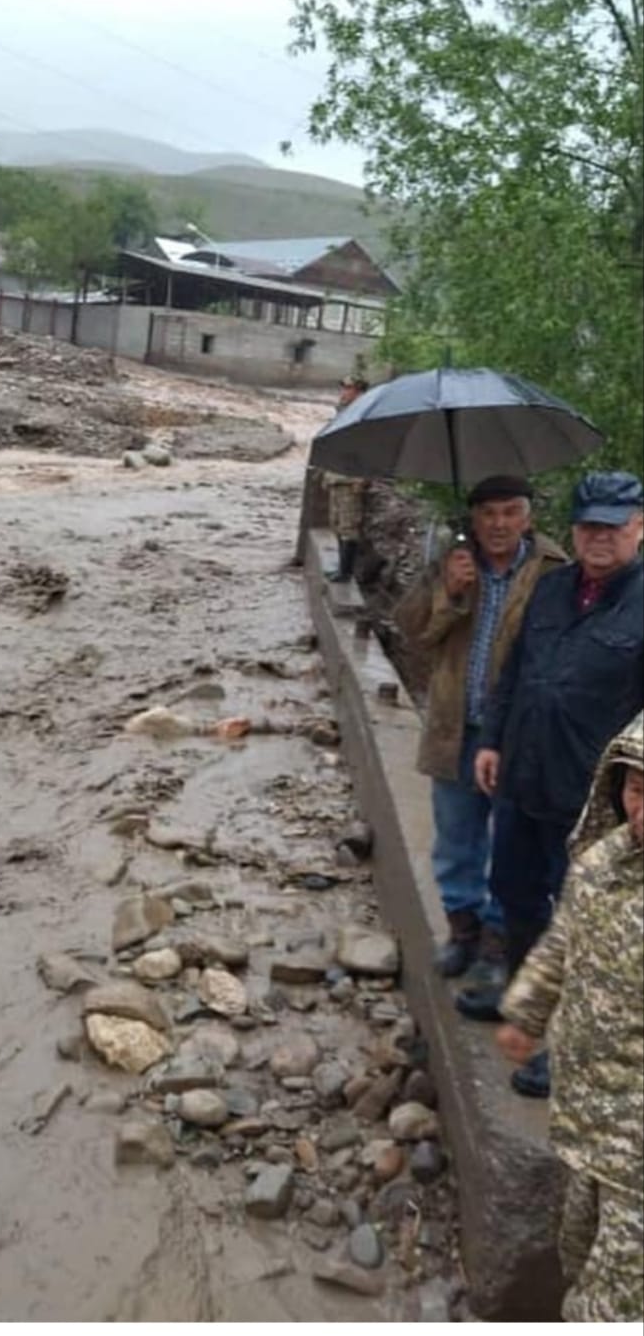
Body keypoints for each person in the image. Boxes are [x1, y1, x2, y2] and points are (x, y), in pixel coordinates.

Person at [459, 472, 644, 1097]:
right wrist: (490, 739)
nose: (600, 537)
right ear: (573, 529)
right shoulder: (553, 588)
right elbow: (514, 671)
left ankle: (565, 1046)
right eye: (590, 525)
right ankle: (523, 1007)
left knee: (582, 925)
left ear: (639, 526)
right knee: (514, 894)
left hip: (594, 802)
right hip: (522, 778)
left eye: (614, 525)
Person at [497, 712, 643, 1323]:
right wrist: (526, 1013)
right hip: (587, 1115)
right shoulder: (603, 863)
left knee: (615, 1297)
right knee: (577, 1244)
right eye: (637, 789)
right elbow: (562, 943)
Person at [395, 477, 566, 976]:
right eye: (488, 513)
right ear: (474, 519)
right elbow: (411, 631)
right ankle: (462, 930)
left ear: (528, 518)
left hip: (518, 735)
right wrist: (448, 593)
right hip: (455, 727)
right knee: (455, 838)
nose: (499, 524)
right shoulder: (451, 564)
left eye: (510, 512)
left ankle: (497, 938)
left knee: (511, 844)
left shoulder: (552, 572)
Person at [324, 374, 370, 582]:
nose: (343, 392)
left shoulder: (367, 415)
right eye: (343, 388)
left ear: (359, 391)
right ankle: (341, 567)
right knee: (336, 524)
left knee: (349, 528)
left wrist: (364, 478)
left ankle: (346, 572)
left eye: (348, 388)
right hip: (336, 476)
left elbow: (373, 449)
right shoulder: (343, 412)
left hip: (351, 480)